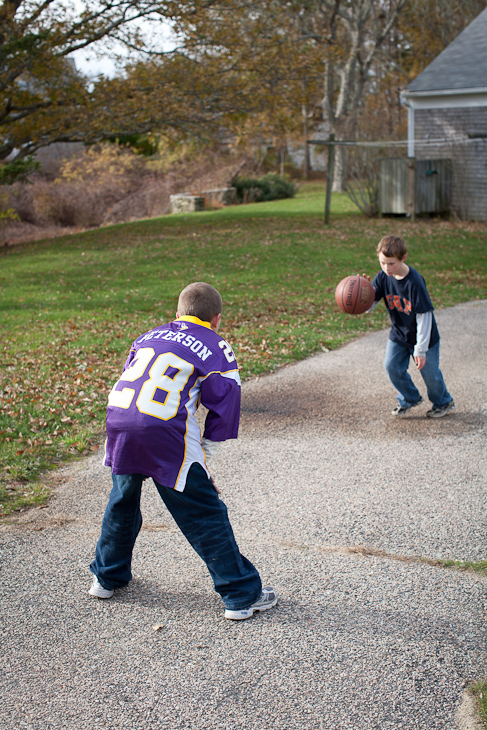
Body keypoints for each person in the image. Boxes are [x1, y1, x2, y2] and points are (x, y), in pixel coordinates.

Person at [89, 282, 277, 620]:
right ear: (217, 319)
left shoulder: (148, 336)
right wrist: (205, 462)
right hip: (163, 429)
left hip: (119, 420)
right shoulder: (217, 345)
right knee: (203, 511)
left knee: (122, 500)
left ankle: (106, 576)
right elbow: (225, 407)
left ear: (176, 314)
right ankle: (241, 593)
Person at [366, 235, 454, 418]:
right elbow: (369, 308)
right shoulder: (382, 277)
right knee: (391, 366)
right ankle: (410, 398)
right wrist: (364, 293)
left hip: (424, 338)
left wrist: (420, 349)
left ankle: (443, 402)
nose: (386, 268)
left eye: (391, 263)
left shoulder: (414, 281)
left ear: (403, 258)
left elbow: (425, 316)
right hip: (399, 334)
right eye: (382, 263)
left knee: (430, 375)